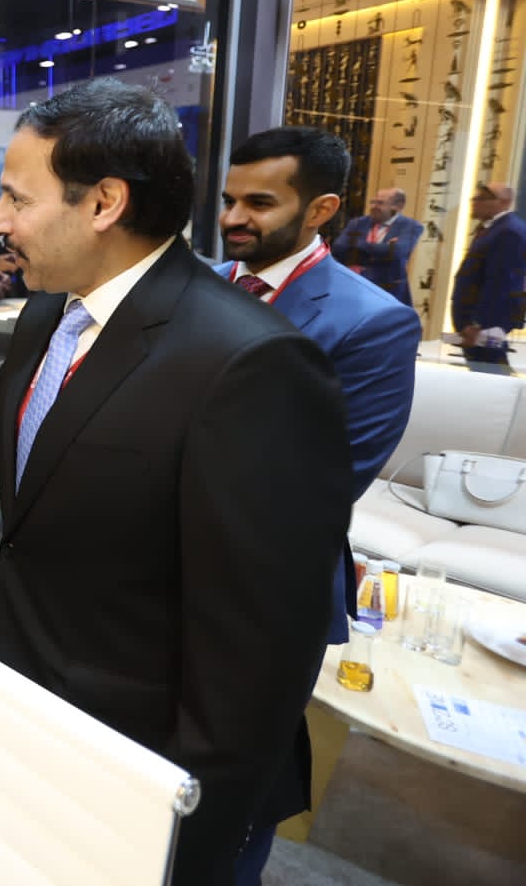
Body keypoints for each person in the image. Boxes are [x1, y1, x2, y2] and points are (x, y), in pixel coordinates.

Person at [0, 79, 354, 885]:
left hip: (141, 763)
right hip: (33, 714)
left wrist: (188, 826)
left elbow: (261, 648)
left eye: (17, 199)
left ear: (104, 203)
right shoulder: (52, 311)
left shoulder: (251, 363)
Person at [217, 126, 420, 884]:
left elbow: (327, 479)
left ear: (322, 209)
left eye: (259, 203)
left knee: (234, 801)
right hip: (151, 591)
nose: (234, 217)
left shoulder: (371, 321)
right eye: (230, 199)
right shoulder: (200, 283)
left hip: (266, 601)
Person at [451, 182, 526, 374]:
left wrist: (478, 324)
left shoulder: (508, 231)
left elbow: (501, 283)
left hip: (485, 324)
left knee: (492, 373)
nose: (475, 202)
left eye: (482, 198)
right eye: (475, 197)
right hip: (475, 323)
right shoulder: (492, 229)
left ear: (504, 202)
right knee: (483, 373)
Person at [330, 186, 423, 305]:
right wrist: (382, 249)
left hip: (388, 292)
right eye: (373, 202)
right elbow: (338, 248)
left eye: (380, 203)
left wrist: (357, 247)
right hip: (354, 289)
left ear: (397, 206)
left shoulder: (410, 226)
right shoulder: (358, 223)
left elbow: (397, 252)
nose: (374, 206)